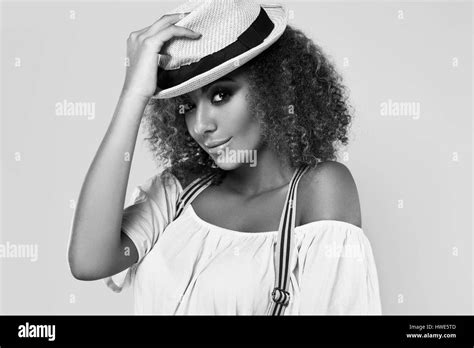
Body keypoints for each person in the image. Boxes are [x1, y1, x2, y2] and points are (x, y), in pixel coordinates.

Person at [68, 0, 382, 315]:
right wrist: (133, 94)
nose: (201, 125)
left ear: (276, 87)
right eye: (188, 105)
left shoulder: (319, 190)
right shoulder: (178, 193)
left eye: (221, 95)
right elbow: (88, 261)